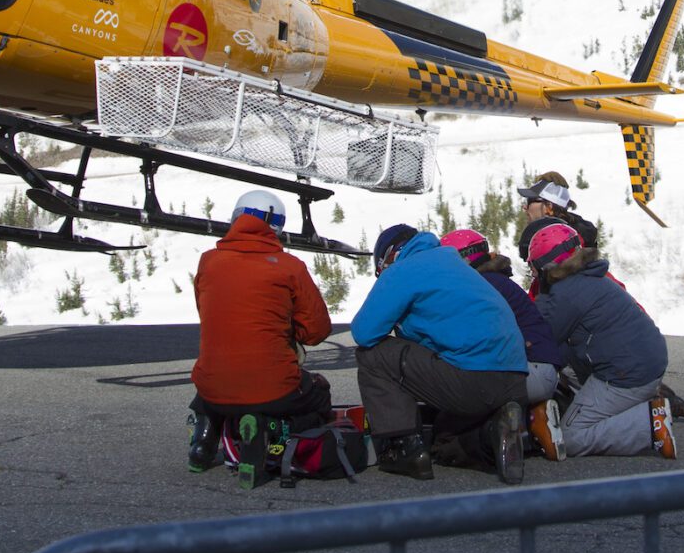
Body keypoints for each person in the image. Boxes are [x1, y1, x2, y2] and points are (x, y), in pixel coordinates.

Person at [352, 223, 530, 483]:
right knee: (443, 444)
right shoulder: (455, 263)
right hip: (515, 381)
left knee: (372, 355)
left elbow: (364, 332)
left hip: (473, 379)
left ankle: (404, 448)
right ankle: (492, 435)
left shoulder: (403, 269)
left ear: (389, 257)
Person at [187, 189, 333, 472]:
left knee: (217, 379)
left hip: (212, 389)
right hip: (274, 388)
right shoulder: (290, 267)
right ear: (276, 226)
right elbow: (317, 330)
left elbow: (208, 314)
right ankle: (267, 430)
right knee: (319, 395)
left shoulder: (208, 262)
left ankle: (203, 441)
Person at [528, 222, 678, 459]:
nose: (533, 273)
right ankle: (642, 407)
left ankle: (648, 426)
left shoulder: (565, 293)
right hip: (645, 364)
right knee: (567, 364)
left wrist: (544, 290)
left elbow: (541, 337)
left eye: (533, 266)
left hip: (625, 375)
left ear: (547, 265)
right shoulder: (592, 277)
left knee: (569, 437)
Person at [440, 227, 570, 460]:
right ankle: (534, 422)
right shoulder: (494, 281)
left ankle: (520, 434)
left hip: (530, 372)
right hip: (541, 370)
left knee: (462, 402)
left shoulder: (482, 286)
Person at [517, 171, 600, 254]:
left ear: (548, 206)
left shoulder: (556, 245)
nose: (525, 207)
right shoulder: (576, 236)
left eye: (529, 200)